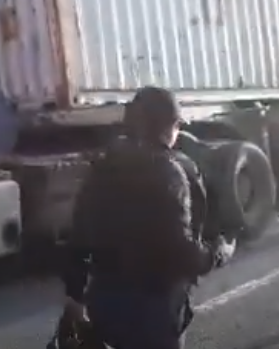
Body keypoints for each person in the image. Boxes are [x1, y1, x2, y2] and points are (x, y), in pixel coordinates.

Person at [59, 86, 236, 349]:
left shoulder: (104, 167)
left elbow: (78, 237)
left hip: (105, 299)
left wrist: (74, 295)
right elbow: (181, 250)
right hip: (153, 307)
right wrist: (218, 252)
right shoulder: (170, 173)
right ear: (169, 127)